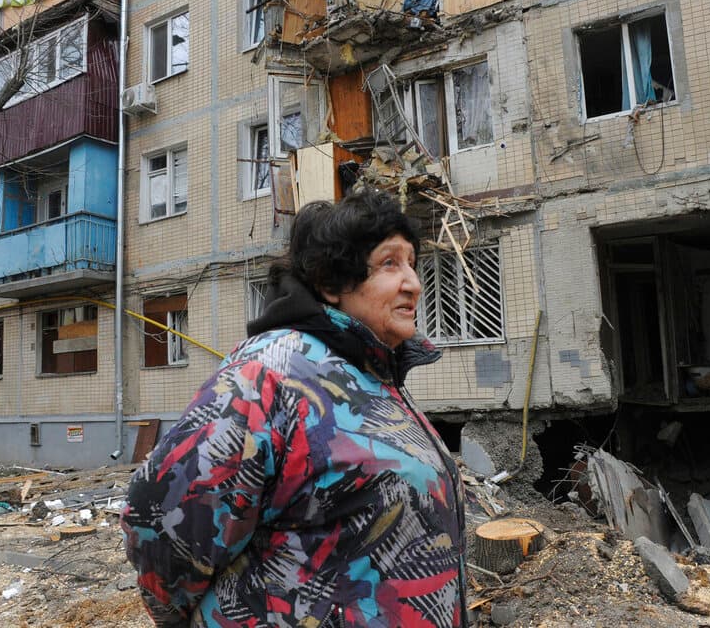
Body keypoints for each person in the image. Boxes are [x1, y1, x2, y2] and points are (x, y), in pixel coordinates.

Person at [121, 188, 466, 627]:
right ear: (332, 283)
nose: (414, 283)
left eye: (413, 264)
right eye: (389, 263)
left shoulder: (373, 376)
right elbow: (160, 519)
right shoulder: (272, 373)